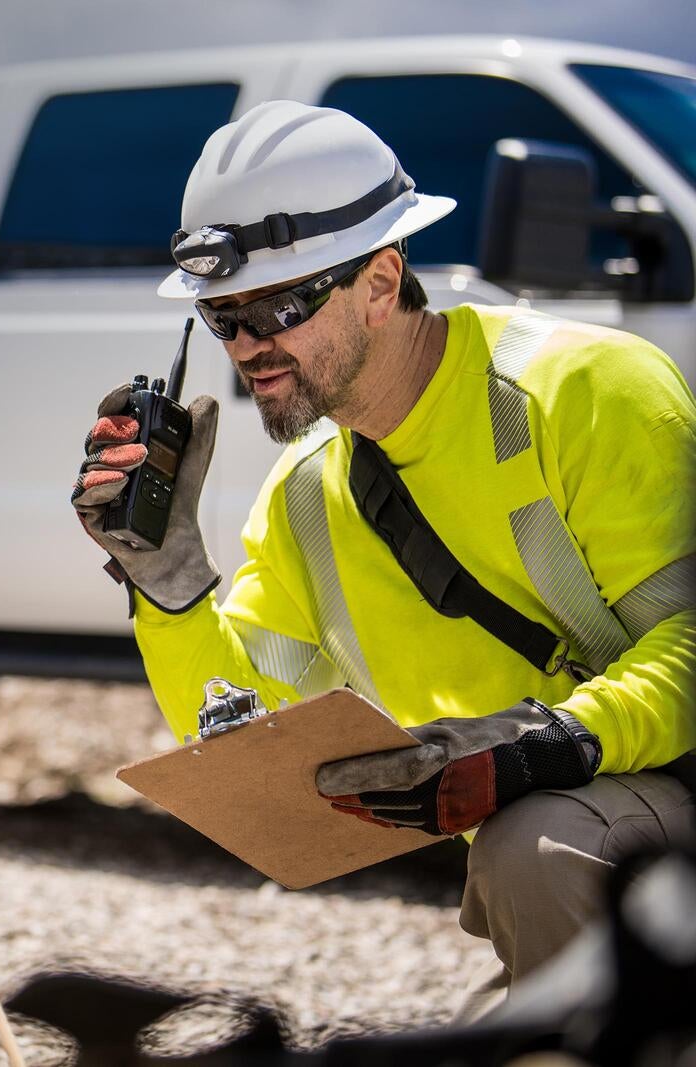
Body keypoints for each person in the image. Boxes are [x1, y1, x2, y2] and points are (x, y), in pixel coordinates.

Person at [70, 100, 696, 1018]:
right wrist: (169, 587)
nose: (248, 346)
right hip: (603, 851)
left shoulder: (588, 392)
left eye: (278, 306)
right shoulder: (305, 500)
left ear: (381, 278)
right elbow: (243, 737)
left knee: (534, 844)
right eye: (221, 316)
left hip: (608, 826)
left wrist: (540, 747)